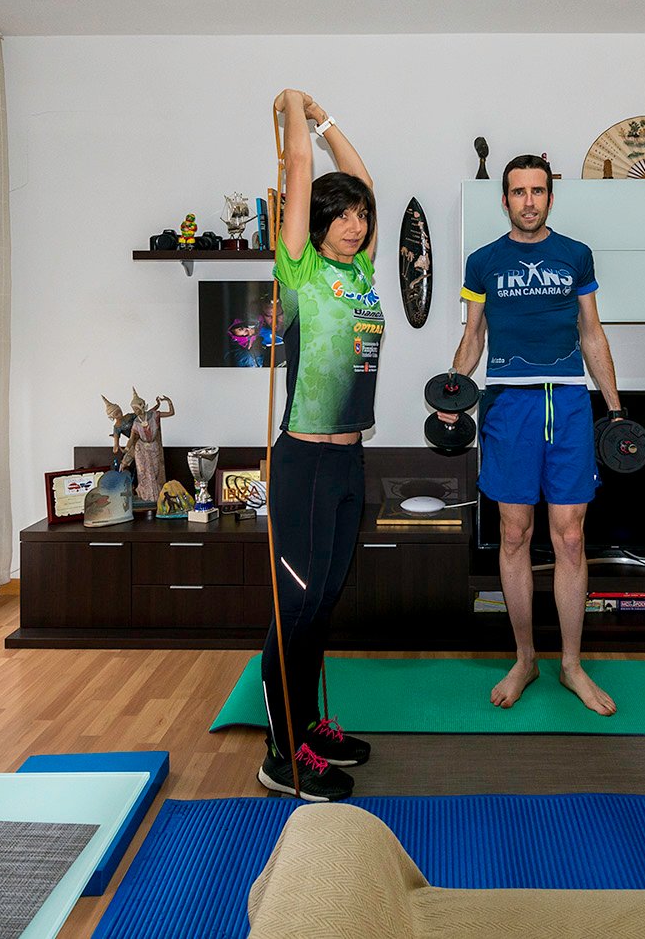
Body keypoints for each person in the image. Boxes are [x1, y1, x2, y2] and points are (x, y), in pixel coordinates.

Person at [444, 155, 624, 716]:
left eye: (538, 191)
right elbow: (473, 338)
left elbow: (592, 333)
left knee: (570, 537)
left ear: (550, 197)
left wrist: (615, 410)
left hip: (567, 402)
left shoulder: (575, 256)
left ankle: (571, 664)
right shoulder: (483, 263)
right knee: (514, 533)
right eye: (518, 192)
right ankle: (525, 658)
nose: (528, 200)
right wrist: (452, 393)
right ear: (505, 200)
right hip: (508, 404)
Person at [258, 89, 381, 802]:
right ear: (318, 225)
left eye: (361, 215)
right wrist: (300, 118)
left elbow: (362, 177)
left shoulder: (359, 274)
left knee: (326, 599)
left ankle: (308, 724)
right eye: (343, 215)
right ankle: (283, 755)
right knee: (294, 608)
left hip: (347, 459)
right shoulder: (300, 272)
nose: (357, 223)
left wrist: (334, 118)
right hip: (304, 462)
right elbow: (300, 172)